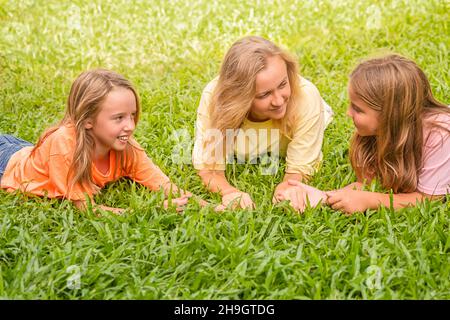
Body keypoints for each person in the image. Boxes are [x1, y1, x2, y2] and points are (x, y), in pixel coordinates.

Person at [1, 69, 217, 214]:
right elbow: (88, 209)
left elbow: (166, 186)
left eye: (132, 115)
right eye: (118, 118)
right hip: (6, 164)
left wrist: (216, 206)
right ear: (87, 121)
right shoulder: (65, 147)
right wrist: (154, 210)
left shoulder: (126, 146)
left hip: (24, 149)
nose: (130, 126)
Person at [291, 54, 450, 214]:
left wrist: (369, 201)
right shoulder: (378, 133)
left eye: (358, 109)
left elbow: (430, 199)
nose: (348, 113)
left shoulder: (441, 134)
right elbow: (367, 184)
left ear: (391, 115)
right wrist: (323, 197)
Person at [192, 36, 333, 211]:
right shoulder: (215, 97)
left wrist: (288, 187)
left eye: (283, 84)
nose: (278, 101)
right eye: (264, 95)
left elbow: (301, 167)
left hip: (306, 115)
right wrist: (229, 192)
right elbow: (208, 166)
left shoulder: (305, 97)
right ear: (239, 97)